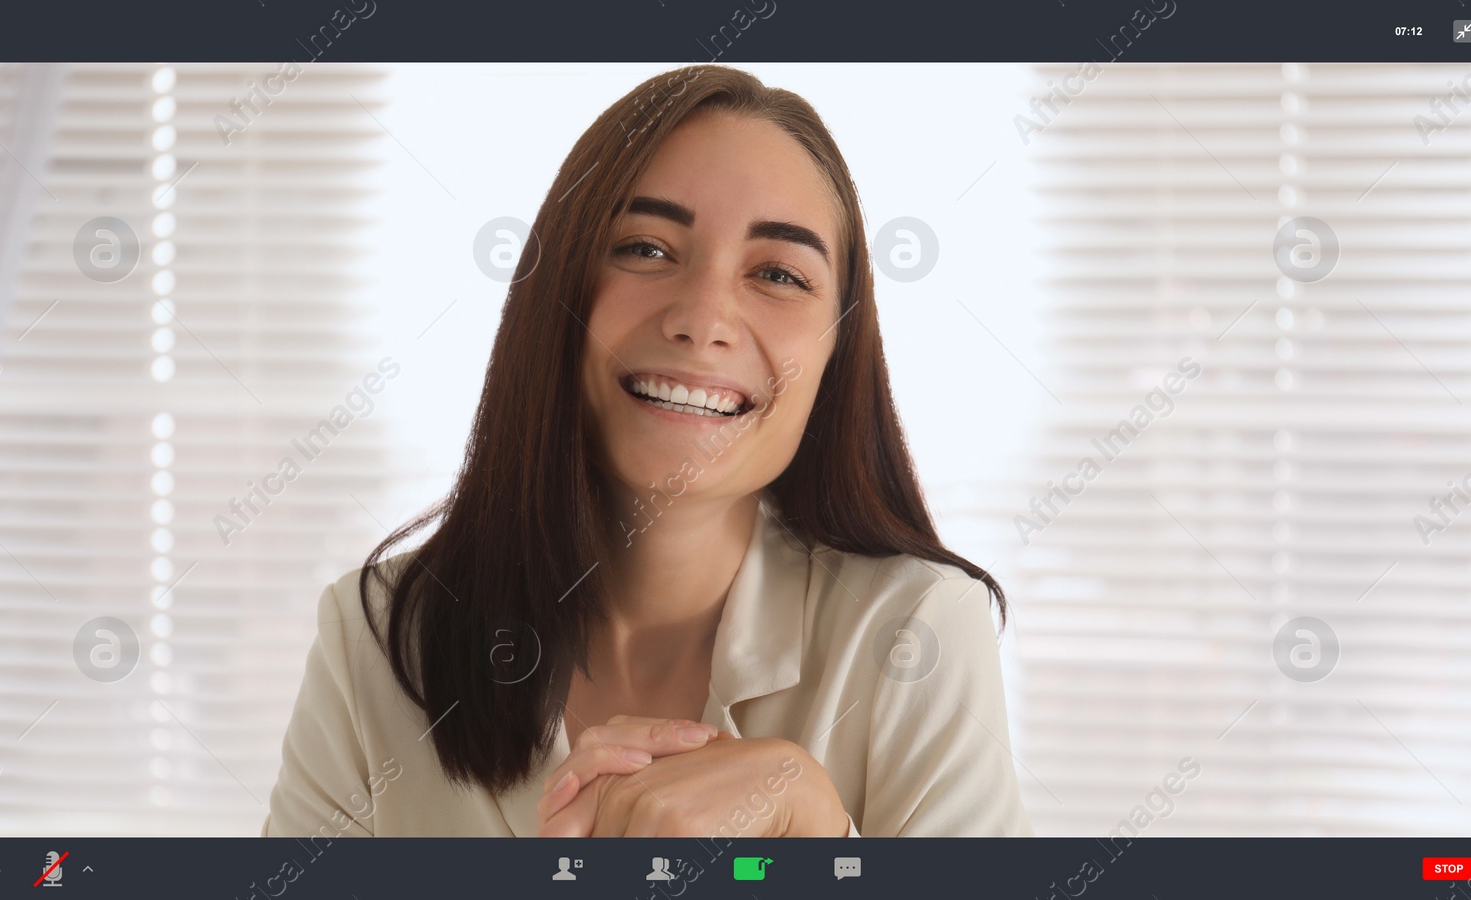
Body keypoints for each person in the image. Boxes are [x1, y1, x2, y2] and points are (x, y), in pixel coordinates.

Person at [263, 64, 1031, 838]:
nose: (703, 319)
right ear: (556, 293)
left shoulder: (920, 631)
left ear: (838, 353)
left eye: (778, 273)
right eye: (646, 249)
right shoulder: (375, 638)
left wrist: (820, 836)